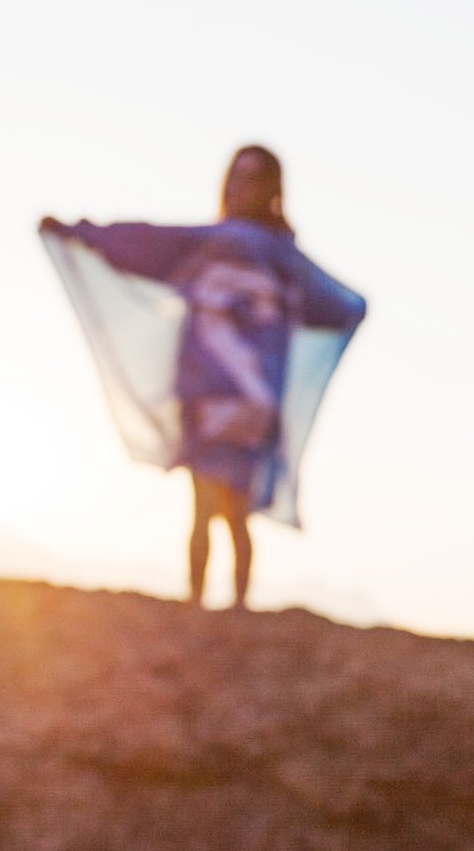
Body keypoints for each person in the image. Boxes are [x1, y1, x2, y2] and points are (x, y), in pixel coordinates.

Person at [39, 145, 367, 607]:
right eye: (233, 176)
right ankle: (230, 610)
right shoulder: (284, 261)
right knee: (231, 514)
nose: (236, 187)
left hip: (223, 396)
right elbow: (345, 307)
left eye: (248, 179)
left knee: (210, 509)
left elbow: (142, 243)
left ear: (269, 190)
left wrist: (77, 232)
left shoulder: (227, 248)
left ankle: (206, 610)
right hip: (241, 400)